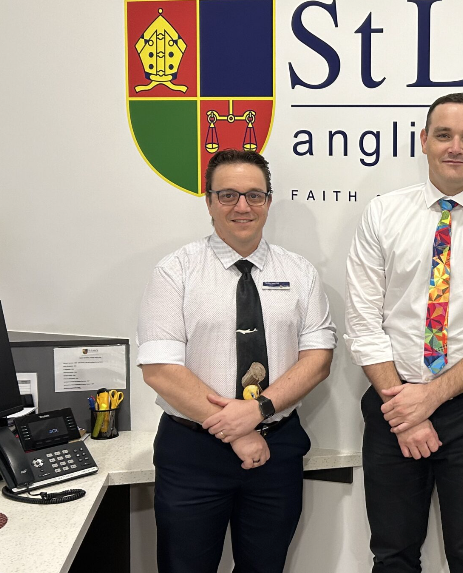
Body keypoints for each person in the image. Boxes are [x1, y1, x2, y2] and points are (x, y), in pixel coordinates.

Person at [344, 93, 463, 573]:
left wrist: (430, 399)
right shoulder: (383, 213)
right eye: (445, 135)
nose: (457, 147)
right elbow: (363, 321)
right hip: (392, 405)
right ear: (424, 141)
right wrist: (405, 408)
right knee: (392, 555)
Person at [137, 149, 336, 573]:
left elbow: (318, 359)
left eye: (254, 195)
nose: (242, 206)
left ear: (268, 200)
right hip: (193, 452)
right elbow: (160, 368)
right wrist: (235, 431)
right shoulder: (176, 271)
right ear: (208, 201)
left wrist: (258, 411)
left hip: (277, 449)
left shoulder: (300, 271)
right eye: (227, 195)